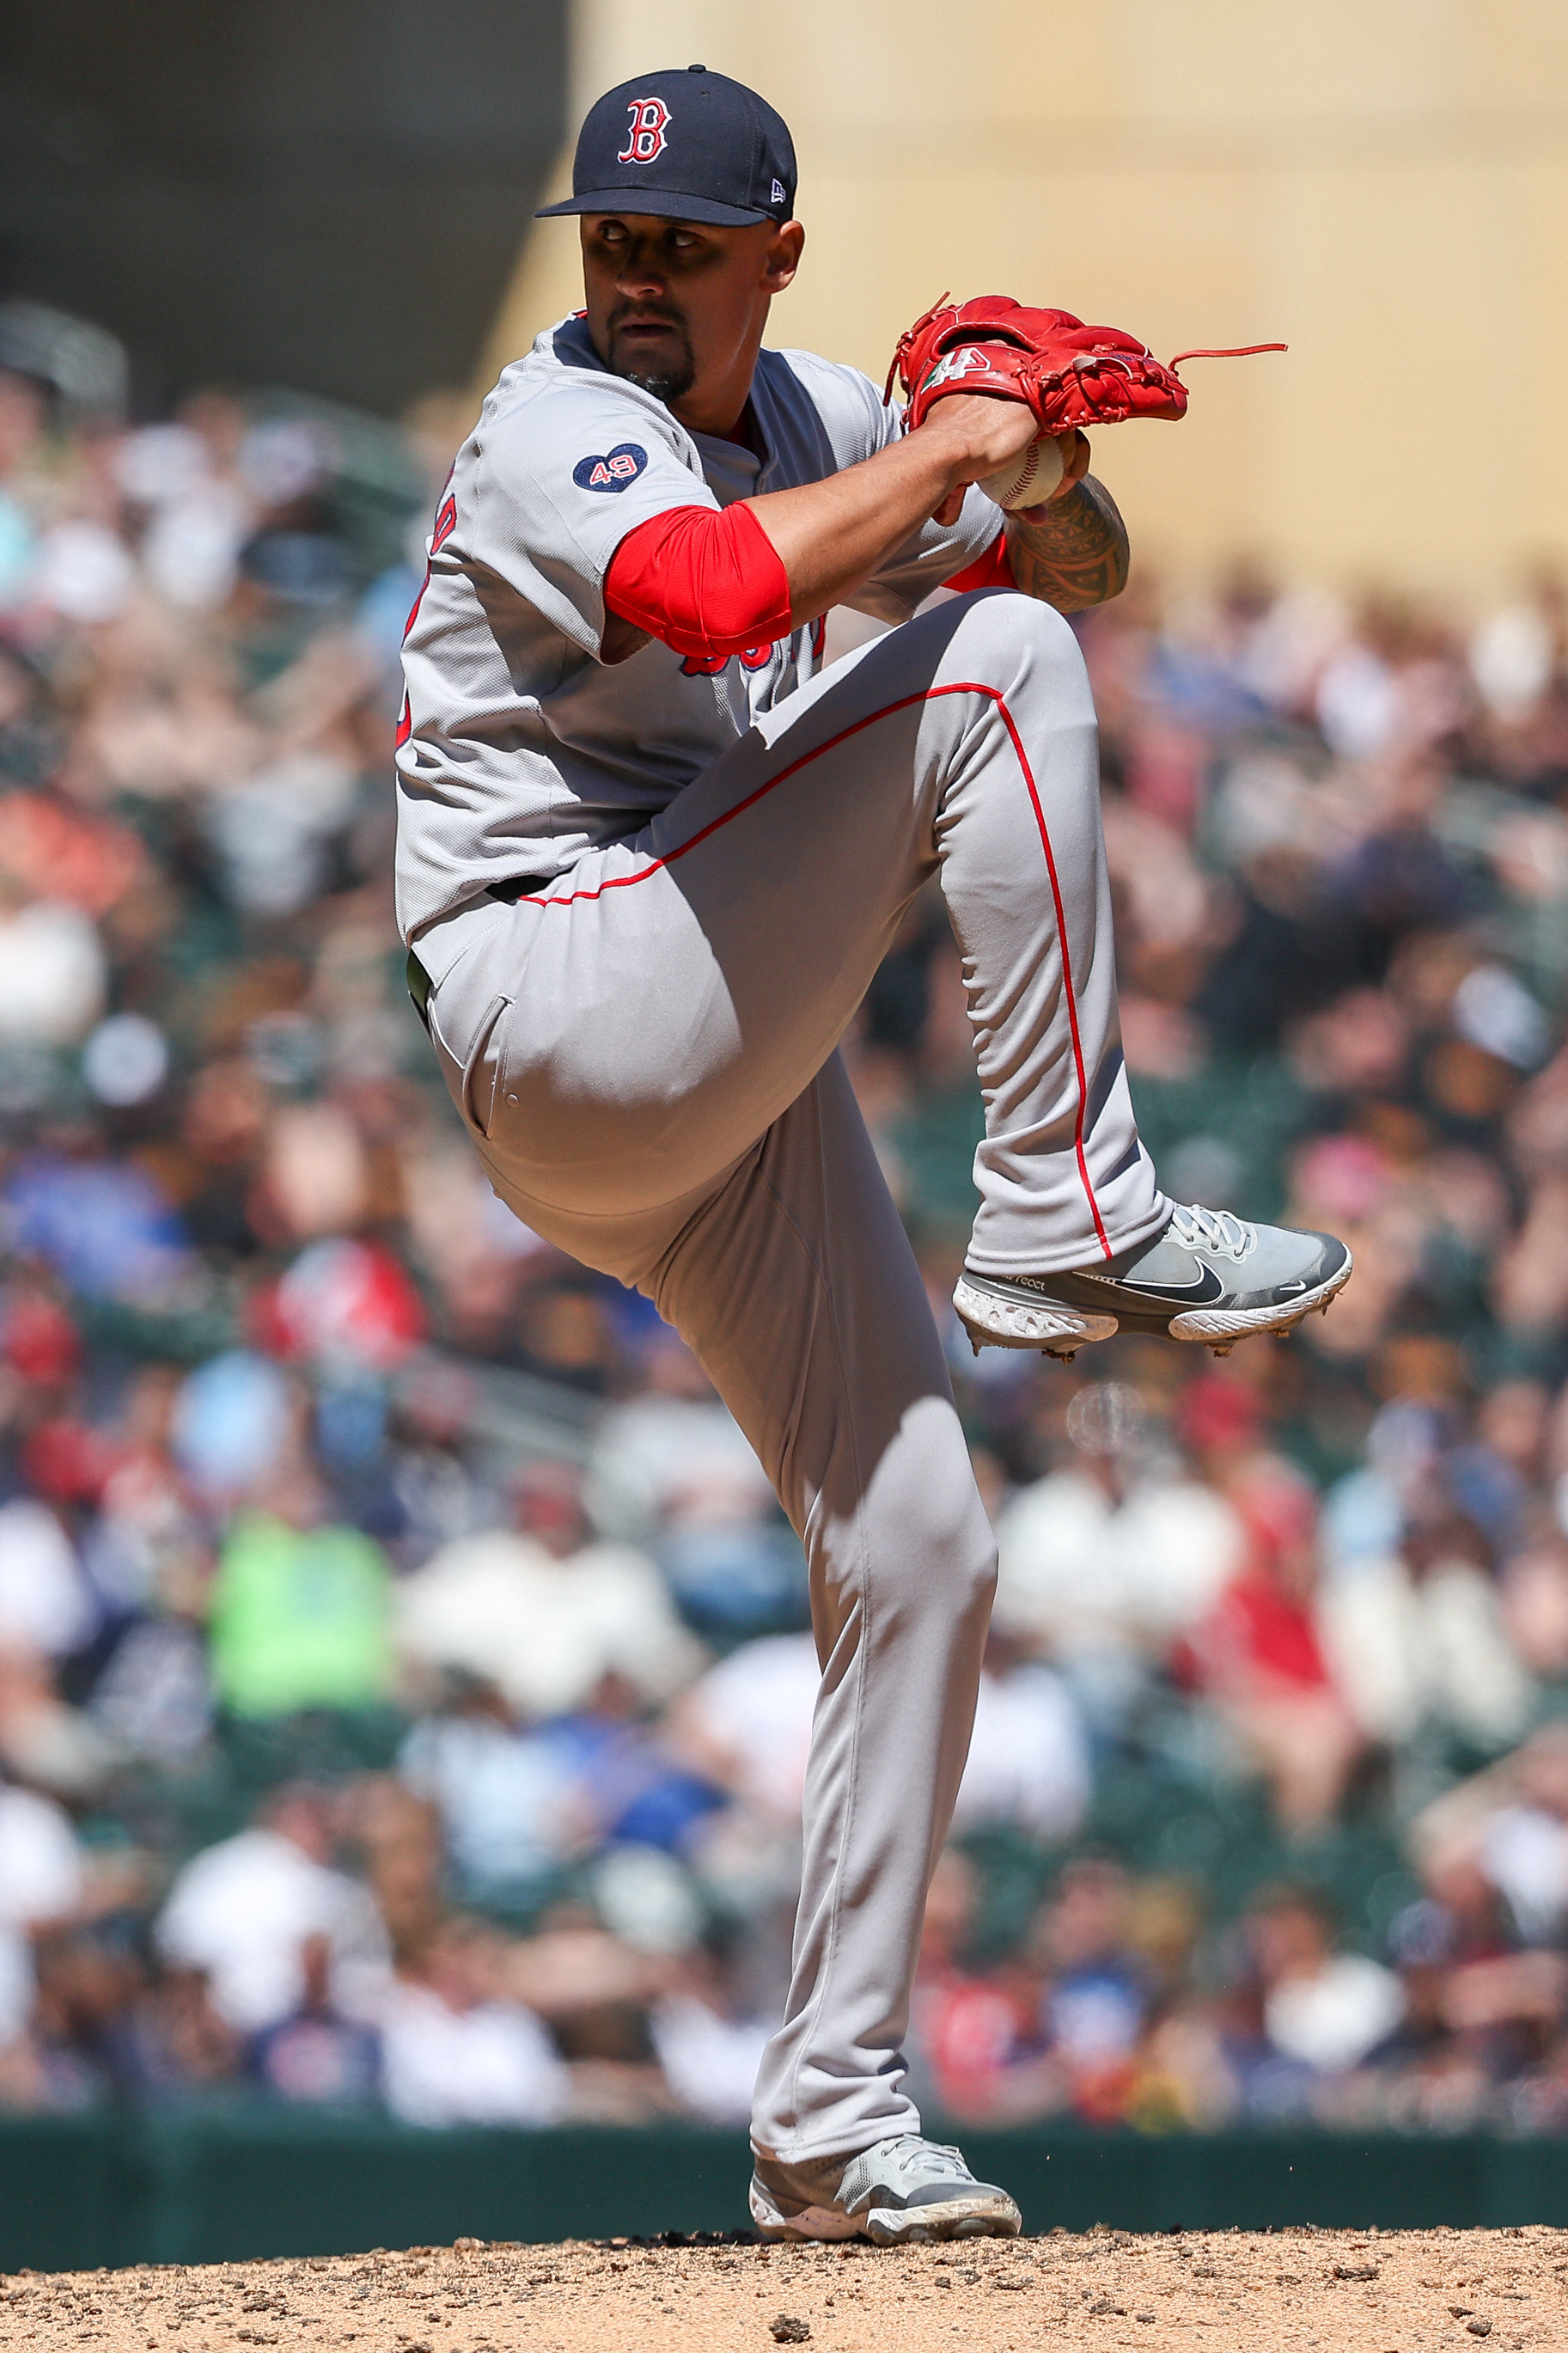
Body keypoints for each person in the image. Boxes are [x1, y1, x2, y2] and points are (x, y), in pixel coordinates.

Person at [394, 66, 1351, 2243]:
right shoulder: (553, 424)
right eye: (611, 238)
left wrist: (1044, 451)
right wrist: (951, 460)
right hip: (560, 997)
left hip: (708, 1055)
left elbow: (1063, 571)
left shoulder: (822, 406)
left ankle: (829, 2110)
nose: (633, 274)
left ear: (771, 258)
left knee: (920, 1537)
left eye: (678, 243)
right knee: (982, 670)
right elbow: (719, 597)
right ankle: (1067, 1205)